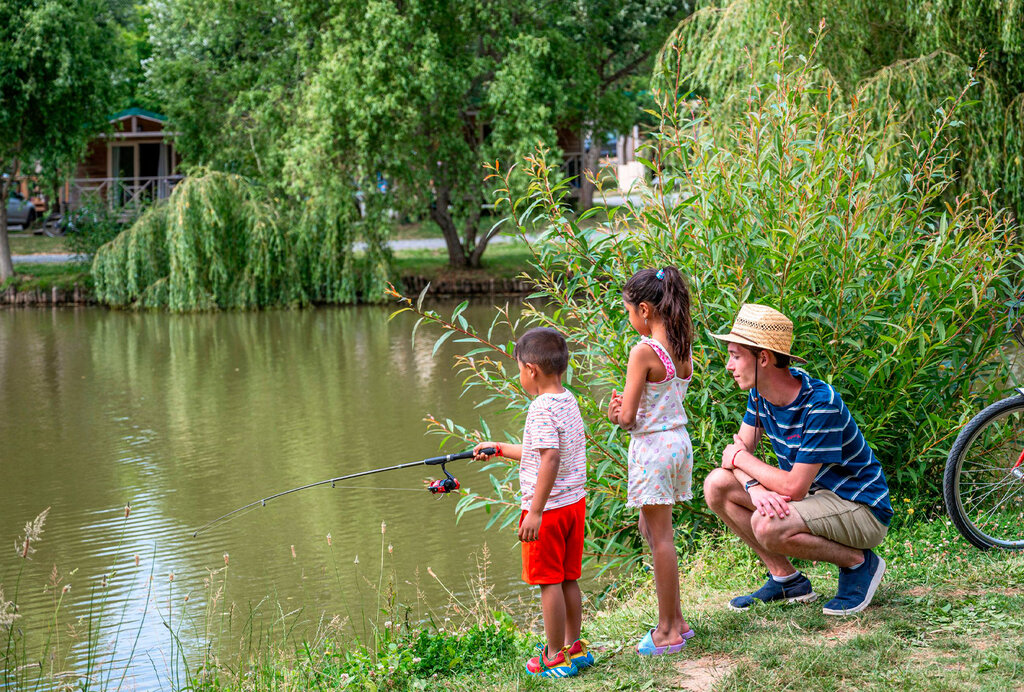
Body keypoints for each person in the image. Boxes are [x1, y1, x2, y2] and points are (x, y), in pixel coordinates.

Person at [704, 304, 893, 615]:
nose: (729, 365)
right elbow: (733, 461)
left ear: (762, 358)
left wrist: (740, 458)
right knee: (716, 485)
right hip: (817, 499)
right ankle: (786, 579)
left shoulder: (821, 404)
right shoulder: (759, 395)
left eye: (736, 355)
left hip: (860, 508)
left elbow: (792, 486)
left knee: (766, 525)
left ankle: (860, 562)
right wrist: (754, 487)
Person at [474, 326, 592, 678]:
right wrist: (500, 449)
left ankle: (554, 656)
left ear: (531, 370)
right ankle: (574, 647)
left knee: (549, 582)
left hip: (550, 511)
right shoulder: (566, 400)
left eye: (518, 368)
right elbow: (545, 453)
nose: (519, 375)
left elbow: (551, 459)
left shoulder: (540, 407)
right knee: (569, 578)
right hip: (573, 506)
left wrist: (535, 511)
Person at [607, 267, 697, 655]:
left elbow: (627, 418)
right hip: (678, 443)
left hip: (652, 449)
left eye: (629, 311)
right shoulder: (682, 347)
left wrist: (613, 412)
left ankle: (667, 630)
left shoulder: (643, 351)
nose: (630, 319)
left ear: (645, 310)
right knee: (651, 526)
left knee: (661, 538)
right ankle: (676, 619)